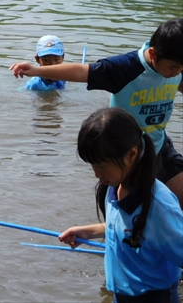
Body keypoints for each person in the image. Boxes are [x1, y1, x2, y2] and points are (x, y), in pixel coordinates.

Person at [10, 18, 183, 207]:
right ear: (153, 53)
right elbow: (82, 72)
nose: (178, 72)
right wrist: (36, 71)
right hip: (127, 155)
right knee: (134, 213)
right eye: (173, 67)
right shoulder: (125, 68)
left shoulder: (177, 67)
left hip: (160, 147)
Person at [58, 108, 183, 303]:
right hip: (121, 294)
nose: (96, 174)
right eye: (92, 165)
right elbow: (127, 229)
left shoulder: (160, 207)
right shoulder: (114, 186)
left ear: (131, 154)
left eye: (101, 165)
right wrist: (88, 232)